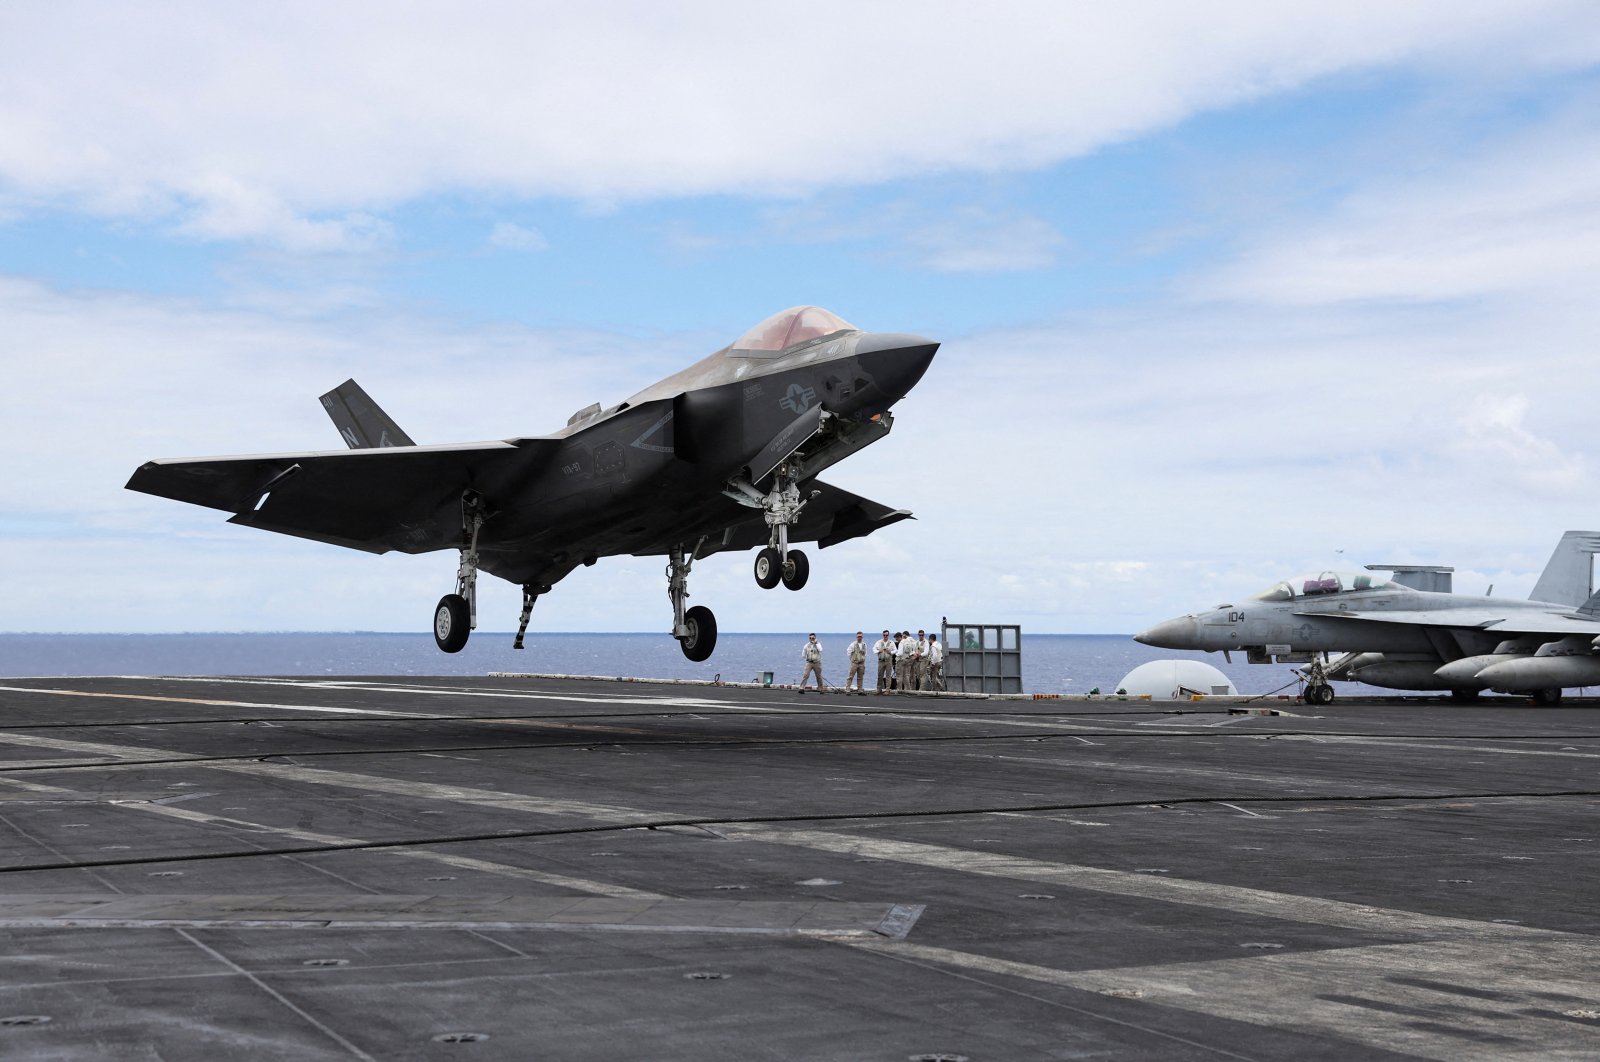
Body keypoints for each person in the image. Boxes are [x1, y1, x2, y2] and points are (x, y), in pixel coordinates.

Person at [872, 629, 894, 694]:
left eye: (886, 635)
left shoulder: (891, 643)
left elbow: (895, 650)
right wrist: (879, 651)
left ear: (888, 635)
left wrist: (890, 652)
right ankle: (879, 690)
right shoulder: (878, 642)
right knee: (880, 675)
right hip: (881, 661)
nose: (885, 636)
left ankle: (887, 690)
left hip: (888, 661)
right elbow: (873, 649)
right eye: (884, 635)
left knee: (888, 676)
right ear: (882, 635)